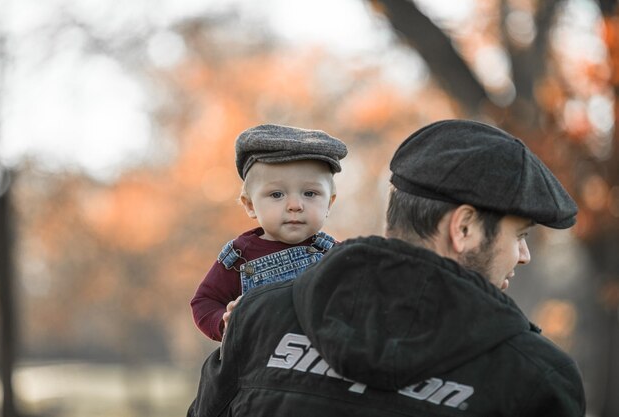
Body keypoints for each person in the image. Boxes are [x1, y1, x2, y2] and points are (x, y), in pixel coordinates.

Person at [187, 119, 586, 416]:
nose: (523, 255)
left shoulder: (256, 320)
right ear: (463, 228)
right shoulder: (535, 378)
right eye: (520, 236)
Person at [190, 123, 348, 341]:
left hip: (320, 370)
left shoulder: (338, 256)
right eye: (276, 195)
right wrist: (224, 322)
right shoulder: (240, 255)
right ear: (250, 205)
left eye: (310, 193)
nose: (295, 205)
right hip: (259, 371)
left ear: (329, 203)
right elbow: (204, 301)